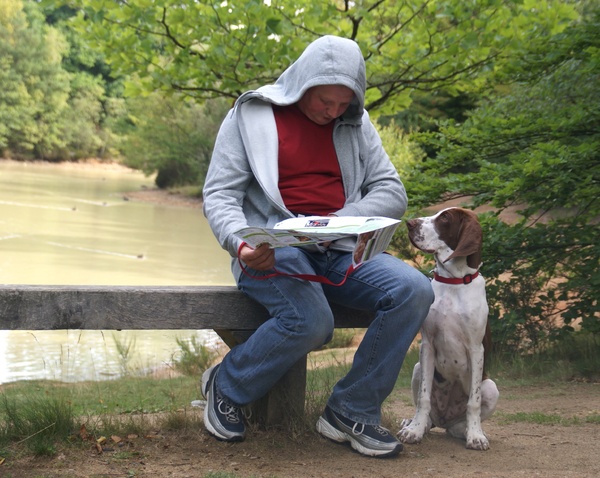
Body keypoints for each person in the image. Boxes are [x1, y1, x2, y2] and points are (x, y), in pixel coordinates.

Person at [202, 35, 434, 458]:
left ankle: (351, 409)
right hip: (272, 251)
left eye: (343, 104)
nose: (332, 112)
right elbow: (219, 195)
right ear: (302, 83)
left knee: (414, 290)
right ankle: (227, 385)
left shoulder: (357, 123)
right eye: (325, 101)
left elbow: (391, 189)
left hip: (340, 249)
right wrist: (241, 243)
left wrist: (342, 220)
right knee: (312, 321)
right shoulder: (249, 115)